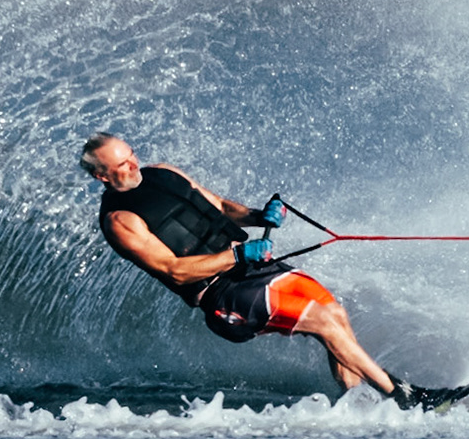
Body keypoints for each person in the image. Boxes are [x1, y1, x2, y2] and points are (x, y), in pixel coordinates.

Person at [80, 132, 445, 408]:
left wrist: (258, 216)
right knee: (324, 322)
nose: (133, 165)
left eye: (131, 155)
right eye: (122, 165)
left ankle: (358, 411)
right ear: (101, 176)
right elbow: (174, 270)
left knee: (334, 314)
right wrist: (238, 256)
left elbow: (220, 206)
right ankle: (407, 398)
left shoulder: (163, 172)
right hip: (222, 294)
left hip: (253, 269)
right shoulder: (119, 220)